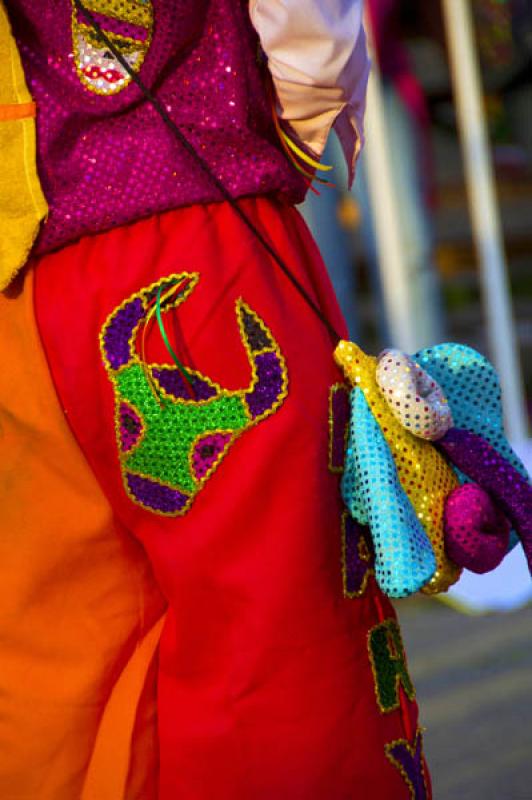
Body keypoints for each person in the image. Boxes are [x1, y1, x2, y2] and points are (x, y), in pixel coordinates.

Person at [0, 2, 431, 798]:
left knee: (54, 673)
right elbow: (307, 34)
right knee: (277, 651)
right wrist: (295, 134)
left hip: (19, 284)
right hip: (208, 241)